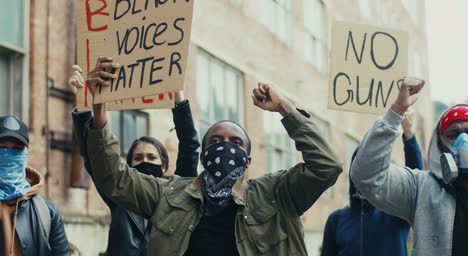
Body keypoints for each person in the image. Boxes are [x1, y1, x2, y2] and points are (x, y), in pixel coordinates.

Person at [82, 56, 342, 255]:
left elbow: (327, 166)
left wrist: (285, 108)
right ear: (204, 157)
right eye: (215, 142)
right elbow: (113, 177)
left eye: (236, 142)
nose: (225, 148)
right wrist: (100, 107)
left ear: (248, 160)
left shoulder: (278, 194)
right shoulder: (168, 195)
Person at [68, 63, 200, 255]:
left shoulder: (179, 193)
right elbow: (94, 156)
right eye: (138, 157)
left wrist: (177, 95)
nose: (144, 160)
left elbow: (190, 146)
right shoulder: (118, 195)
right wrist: (82, 103)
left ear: (163, 165)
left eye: (151, 157)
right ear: (129, 165)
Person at [350, 78, 468, 256]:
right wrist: (397, 111)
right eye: (454, 135)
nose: (463, 141)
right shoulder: (421, 187)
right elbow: (367, 176)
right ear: (440, 144)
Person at [321, 109, 424, 256]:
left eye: (374, 169)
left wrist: (409, 134)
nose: (368, 173)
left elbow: (415, 184)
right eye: (363, 167)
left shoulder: (395, 212)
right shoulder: (336, 220)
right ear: (354, 172)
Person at [0, 115, 70, 255]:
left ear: (26, 153)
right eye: (2, 148)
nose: (9, 155)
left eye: (17, 149)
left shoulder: (48, 214)